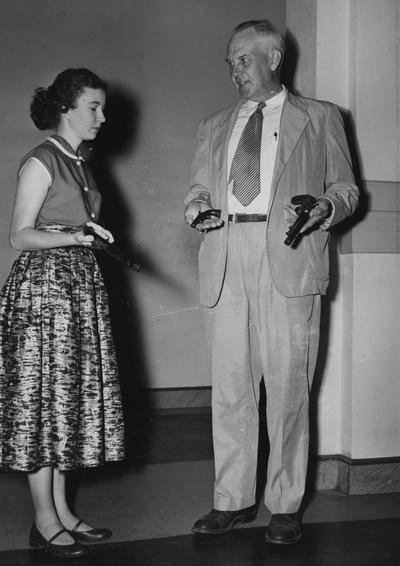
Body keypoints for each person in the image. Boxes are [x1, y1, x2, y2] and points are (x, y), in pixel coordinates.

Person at [184, 20, 359, 544]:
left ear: (274, 57)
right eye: (230, 62)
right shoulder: (215, 124)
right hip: (225, 254)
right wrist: (195, 209)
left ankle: (284, 505)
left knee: (288, 388)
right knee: (231, 389)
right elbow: (195, 189)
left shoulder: (320, 117)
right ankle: (231, 500)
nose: (234, 70)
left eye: (243, 59)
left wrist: (326, 206)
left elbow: (347, 188)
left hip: (289, 251)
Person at [0, 68, 125, 559]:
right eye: (94, 106)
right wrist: (77, 237)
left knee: (65, 404)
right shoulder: (43, 159)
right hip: (44, 294)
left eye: (102, 107)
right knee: (40, 405)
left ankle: (63, 512)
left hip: (77, 291)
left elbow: (76, 223)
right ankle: (43, 519)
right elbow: (19, 235)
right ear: (67, 107)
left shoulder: (80, 162)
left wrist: (92, 236)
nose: (102, 116)